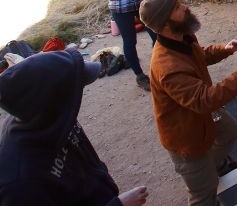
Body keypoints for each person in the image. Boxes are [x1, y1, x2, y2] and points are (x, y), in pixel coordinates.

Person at [138, 0, 237, 206]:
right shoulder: (167, 67)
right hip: (186, 136)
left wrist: (224, 49)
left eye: (180, 3)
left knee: (227, 131)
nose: (184, 7)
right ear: (164, 24)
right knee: (203, 195)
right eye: (177, 7)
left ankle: (211, 168)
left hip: (203, 118)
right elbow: (205, 101)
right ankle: (206, 177)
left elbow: (199, 55)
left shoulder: (182, 37)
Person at [0, 48, 149, 205]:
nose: (79, 94)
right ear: (53, 98)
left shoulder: (52, 116)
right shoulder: (20, 184)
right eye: (76, 89)